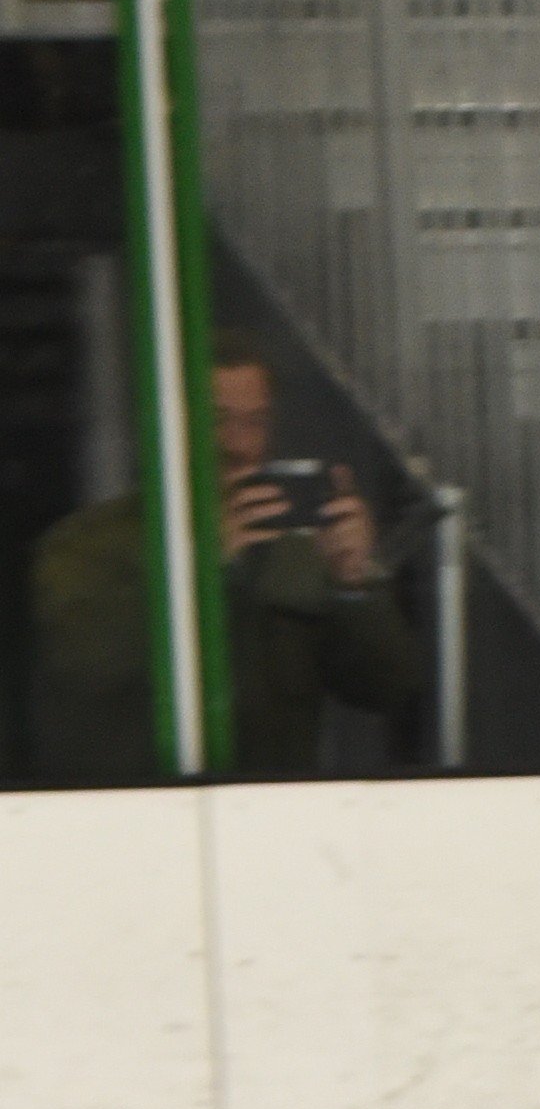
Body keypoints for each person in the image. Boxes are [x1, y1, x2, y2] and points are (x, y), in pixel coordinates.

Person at [23, 332, 422, 781]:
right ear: (171, 421)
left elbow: (386, 688)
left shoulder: (290, 546)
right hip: (131, 816)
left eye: (255, 422)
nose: (239, 444)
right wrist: (202, 569)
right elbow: (81, 668)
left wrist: (355, 583)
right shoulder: (88, 544)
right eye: (218, 420)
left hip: (271, 815)